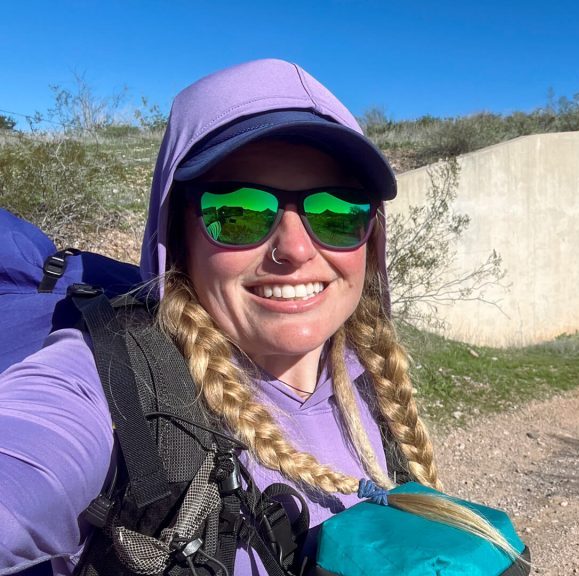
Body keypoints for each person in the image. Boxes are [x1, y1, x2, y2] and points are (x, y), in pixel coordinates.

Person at [0, 59, 514, 576]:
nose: (295, 249)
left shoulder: (372, 377)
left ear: (370, 238)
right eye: (238, 211)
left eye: (337, 212)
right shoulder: (116, 384)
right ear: (178, 235)